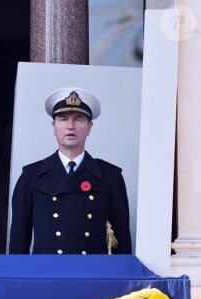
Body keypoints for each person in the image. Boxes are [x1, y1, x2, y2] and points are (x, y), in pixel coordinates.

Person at [9, 87, 132, 255]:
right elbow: (18, 241)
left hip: (93, 275)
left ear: (90, 127)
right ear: (54, 127)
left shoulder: (110, 177)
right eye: (63, 119)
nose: (70, 126)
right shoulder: (31, 176)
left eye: (78, 119)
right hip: (47, 275)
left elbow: (122, 241)